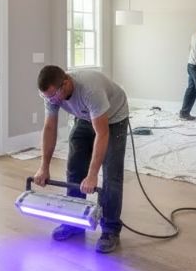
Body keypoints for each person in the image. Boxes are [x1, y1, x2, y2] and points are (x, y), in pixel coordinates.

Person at [34, 65, 129, 254]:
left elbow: (102, 134)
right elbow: (50, 128)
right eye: (47, 98)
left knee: (111, 175)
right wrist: (43, 167)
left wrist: (93, 174)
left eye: (54, 96)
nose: (52, 101)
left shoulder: (90, 89)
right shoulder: (51, 95)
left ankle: (110, 229)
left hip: (113, 118)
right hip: (84, 117)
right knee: (74, 168)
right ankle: (74, 220)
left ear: (66, 83)